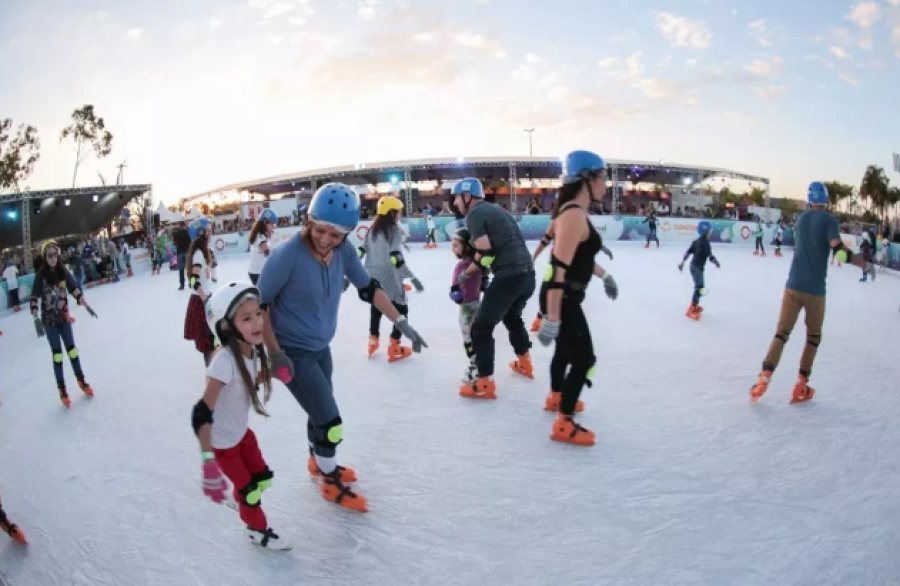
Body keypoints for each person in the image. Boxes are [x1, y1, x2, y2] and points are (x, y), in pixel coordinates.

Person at [258, 183, 427, 513]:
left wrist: (401, 323)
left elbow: (369, 288)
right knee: (329, 420)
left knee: (319, 410)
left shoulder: (345, 252)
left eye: (335, 235)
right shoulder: (286, 256)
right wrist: (274, 352)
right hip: (293, 352)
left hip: (322, 348)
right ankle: (329, 479)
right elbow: (259, 305)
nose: (325, 240)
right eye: (320, 230)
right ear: (310, 221)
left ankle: (316, 462)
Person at [750, 181, 875, 404]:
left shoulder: (801, 218)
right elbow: (839, 253)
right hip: (815, 291)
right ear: (825, 200)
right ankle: (800, 384)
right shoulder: (829, 220)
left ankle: (764, 378)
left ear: (809, 199)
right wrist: (863, 264)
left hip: (792, 285)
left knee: (781, 334)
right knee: (813, 338)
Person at [191, 282, 290, 550]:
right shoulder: (223, 362)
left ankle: (240, 493)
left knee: (262, 479)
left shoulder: (250, 351)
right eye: (247, 318)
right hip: (223, 446)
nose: (258, 321)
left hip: (242, 435)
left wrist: (271, 372)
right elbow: (202, 411)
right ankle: (256, 530)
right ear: (226, 327)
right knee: (251, 491)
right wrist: (208, 462)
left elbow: (246, 382)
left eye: (258, 313)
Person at [537, 151, 618, 445]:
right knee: (584, 358)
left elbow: (576, 260)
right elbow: (558, 268)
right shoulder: (572, 215)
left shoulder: (575, 212)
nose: (605, 184)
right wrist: (553, 317)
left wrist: (605, 275)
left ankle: (556, 396)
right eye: (602, 177)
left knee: (565, 352)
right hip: (564, 296)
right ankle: (564, 422)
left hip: (565, 294)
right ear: (586, 178)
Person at [452, 177, 536, 400]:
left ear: (467, 196)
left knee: (481, 327)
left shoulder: (475, 215)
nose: (455, 202)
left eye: (457, 197)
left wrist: (465, 273)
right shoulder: (497, 210)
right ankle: (525, 362)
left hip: (509, 276)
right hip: (528, 274)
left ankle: (484, 382)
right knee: (512, 317)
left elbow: (486, 255)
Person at [29, 240, 98, 408]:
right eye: (49, 255)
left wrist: (82, 300)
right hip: (49, 321)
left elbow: (73, 288)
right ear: (45, 257)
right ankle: (62, 389)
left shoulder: (63, 271)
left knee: (72, 351)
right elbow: (34, 296)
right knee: (58, 355)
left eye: (54, 254)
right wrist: (35, 316)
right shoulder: (41, 274)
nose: (52, 258)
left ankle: (82, 380)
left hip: (64, 318)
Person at [530, 214, 612, 332]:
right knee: (547, 292)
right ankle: (541, 317)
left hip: (568, 268)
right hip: (557, 264)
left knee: (556, 294)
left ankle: (546, 318)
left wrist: (599, 247)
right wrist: (534, 257)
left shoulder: (579, 217)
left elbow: (587, 238)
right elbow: (546, 239)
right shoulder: (562, 218)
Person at [360, 195, 413, 361]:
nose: (399, 215)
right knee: (401, 309)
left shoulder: (372, 231)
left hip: (371, 274)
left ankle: (373, 339)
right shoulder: (394, 230)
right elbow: (395, 256)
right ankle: (394, 343)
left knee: (377, 306)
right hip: (390, 275)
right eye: (397, 212)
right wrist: (408, 275)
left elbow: (361, 250)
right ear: (391, 213)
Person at [449, 228, 483, 383]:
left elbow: (454, 290)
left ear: (467, 246)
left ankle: (474, 365)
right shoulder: (478, 264)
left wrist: (456, 297)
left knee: (468, 338)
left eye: (456, 245)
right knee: (477, 335)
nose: (452, 249)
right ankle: (478, 362)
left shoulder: (461, 266)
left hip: (466, 309)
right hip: (478, 304)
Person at [183, 218, 216, 365]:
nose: (211, 234)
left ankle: (214, 370)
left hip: (205, 298)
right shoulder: (198, 254)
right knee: (208, 341)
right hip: (200, 301)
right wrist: (204, 298)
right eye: (208, 231)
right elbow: (192, 280)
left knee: (213, 339)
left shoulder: (202, 252)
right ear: (201, 234)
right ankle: (212, 373)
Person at [678, 221, 721, 320]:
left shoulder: (696, 241)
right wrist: (716, 262)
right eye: (710, 231)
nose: (711, 233)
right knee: (699, 288)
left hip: (693, 267)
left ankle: (695, 305)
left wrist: (682, 262)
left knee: (701, 288)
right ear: (706, 231)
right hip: (697, 268)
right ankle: (691, 309)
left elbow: (688, 252)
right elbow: (710, 257)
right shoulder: (705, 243)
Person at [248, 209, 278, 285]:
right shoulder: (259, 236)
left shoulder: (263, 234)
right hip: (258, 273)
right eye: (272, 224)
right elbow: (267, 252)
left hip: (259, 272)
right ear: (265, 223)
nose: (273, 227)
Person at [173, 222, 192, 290]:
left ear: (179, 226)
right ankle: (191, 283)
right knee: (189, 269)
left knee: (181, 270)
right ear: (184, 226)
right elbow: (190, 242)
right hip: (187, 252)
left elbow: (174, 243)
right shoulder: (187, 232)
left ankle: (182, 285)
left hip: (180, 253)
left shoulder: (176, 233)